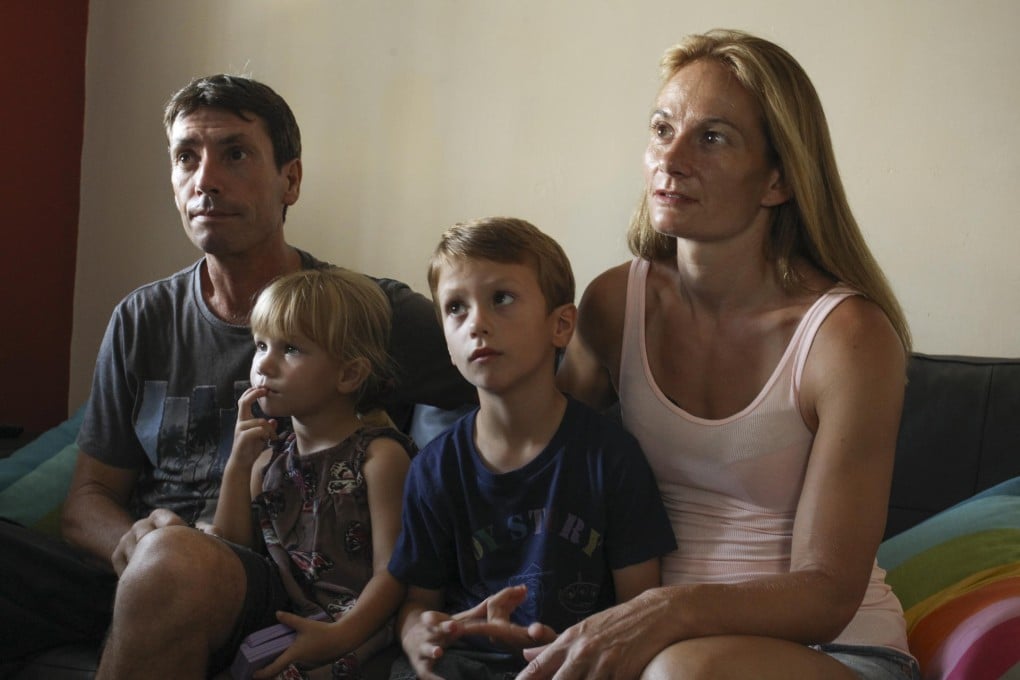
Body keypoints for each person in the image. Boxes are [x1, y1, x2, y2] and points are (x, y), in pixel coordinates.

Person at [0, 74, 473, 677]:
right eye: (186, 158)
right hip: (133, 569)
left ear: (290, 181)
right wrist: (132, 540)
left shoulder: (367, 314)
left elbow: (518, 383)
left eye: (236, 154)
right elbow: (87, 499)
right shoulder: (142, 318)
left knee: (176, 563)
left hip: (272, 584)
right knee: (162, 559)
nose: (206, 180)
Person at [522, 29, 921, 680]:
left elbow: (827, 593)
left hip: (836, 652)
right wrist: (434, 608)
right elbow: (536, 476)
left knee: (681, 673)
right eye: (662, 129)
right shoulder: (615, 304)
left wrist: (663, 610)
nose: (670, 158)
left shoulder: (848, 338)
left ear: (778, 179)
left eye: (712, 137)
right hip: (653, 641)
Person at [386, 217, 677, 680]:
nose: (477, 323)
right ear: (446, 342)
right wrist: (416, 636)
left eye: (501, 298)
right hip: (465, 665)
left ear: (561, 326)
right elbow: (418, 604)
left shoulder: (611, 458)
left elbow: (638, 609)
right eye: (456, 308)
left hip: (575, 663)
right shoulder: (433, 469)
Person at [210, 268, 413, 678]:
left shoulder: (380, 458)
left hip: (359, 632)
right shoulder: (267, 462)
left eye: (291, 349)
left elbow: (393, 573)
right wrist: (237, 466)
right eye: (261, 345)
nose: (264, 364)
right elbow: (232, 555)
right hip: (285, 626)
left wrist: (338, 636)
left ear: (348, 374)